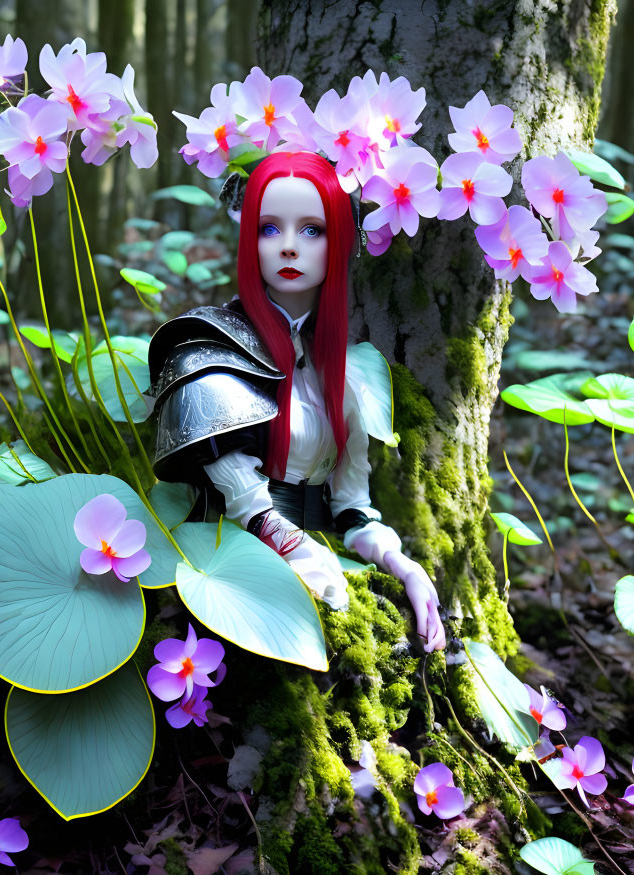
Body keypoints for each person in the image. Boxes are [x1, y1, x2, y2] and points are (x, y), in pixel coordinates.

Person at [148, 151, 445, 652]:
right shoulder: (209, 347)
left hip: (322, 555)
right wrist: (293, 546)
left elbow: (351, 508)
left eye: (312, 230)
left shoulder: (345, 375)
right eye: (269, 229)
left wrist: (401, 562)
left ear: (339, 241)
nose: (288, 247)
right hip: (228, 557)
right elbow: (243, 497)